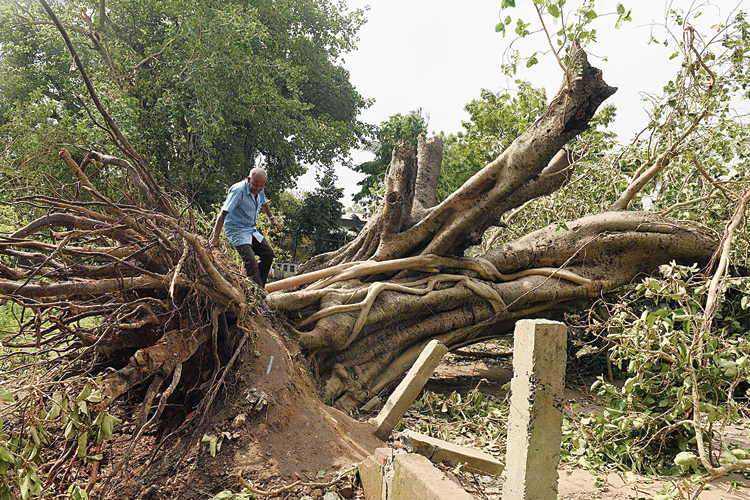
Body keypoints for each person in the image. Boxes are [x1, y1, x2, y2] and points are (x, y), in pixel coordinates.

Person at [210, 167, 282, 289]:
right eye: (256, 185)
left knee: (268, 254)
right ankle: (259, 298)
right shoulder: (238, 191)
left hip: (250, 229)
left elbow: (264, 203)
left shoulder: (259, 189)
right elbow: (222, 214)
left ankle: (257, 288)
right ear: (249, 179)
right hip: (236, 230)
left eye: (261, 186)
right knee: (251, 262)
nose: (258, 188)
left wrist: (272, 218)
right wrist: (215, 237)